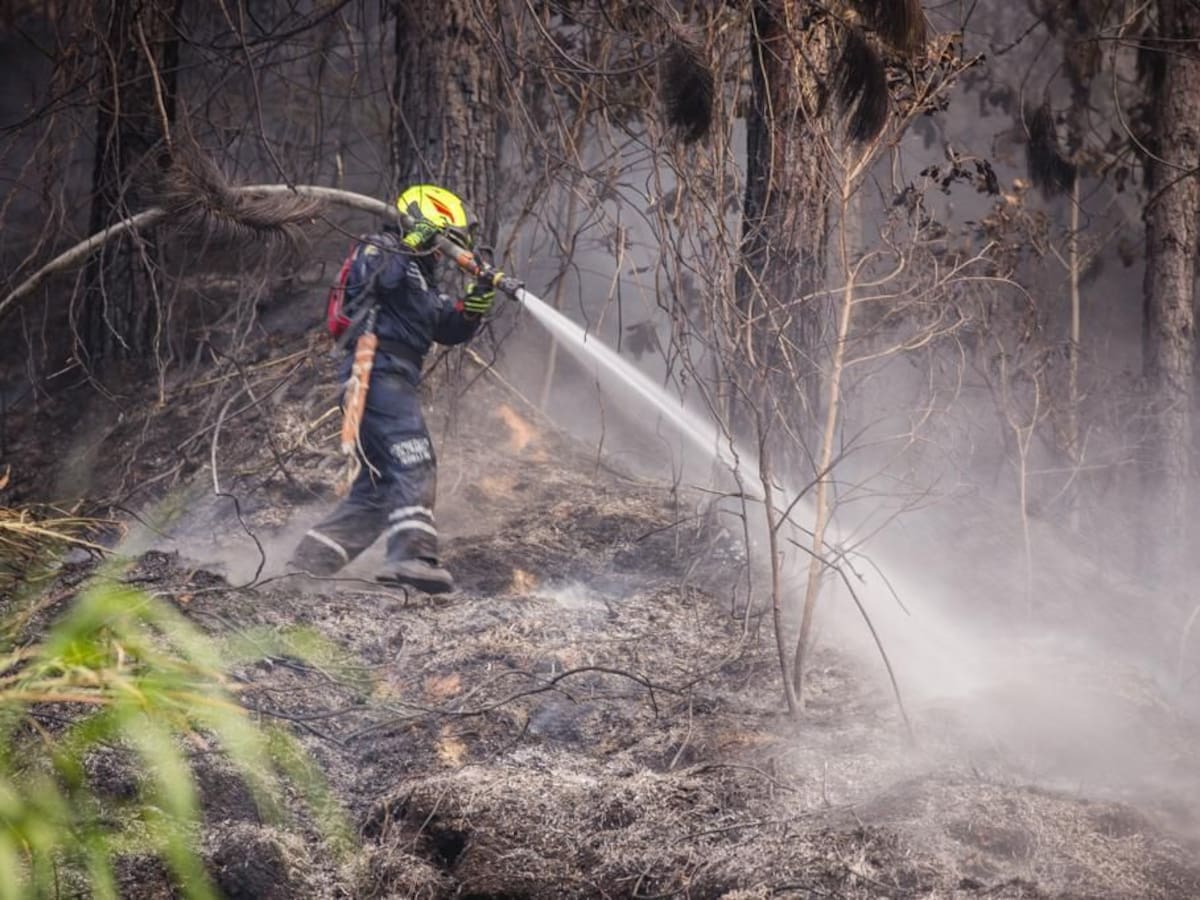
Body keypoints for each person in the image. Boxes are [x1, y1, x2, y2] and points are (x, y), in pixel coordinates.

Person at [289, 184, 494, 593]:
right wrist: (410, 244)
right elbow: (376, 279)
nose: (444, 254)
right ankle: (412, 558)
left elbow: (446, 326)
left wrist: (477, 301)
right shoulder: (379, 246)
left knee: (381, 490)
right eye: (446, 243)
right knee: (414, 460)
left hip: (393, 378)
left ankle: (306, 566)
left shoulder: (420, 281)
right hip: (375, 371)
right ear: (429, 224)